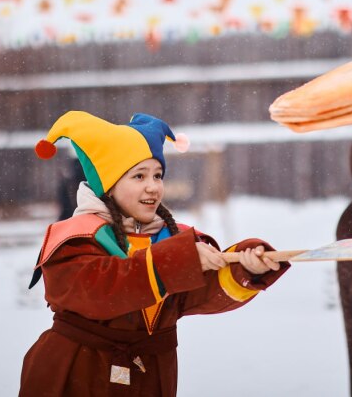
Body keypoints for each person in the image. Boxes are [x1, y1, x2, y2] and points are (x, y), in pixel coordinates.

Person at [20, 111, 289, 396]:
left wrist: (245, 269)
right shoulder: (75, 238)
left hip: (149, 379)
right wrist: (177, 260)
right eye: (139, 176)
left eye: (157, 175)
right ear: (108, 185)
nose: (153, 186)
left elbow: (198, 292)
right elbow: (103, 289)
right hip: (76, 374)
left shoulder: (172, 238)